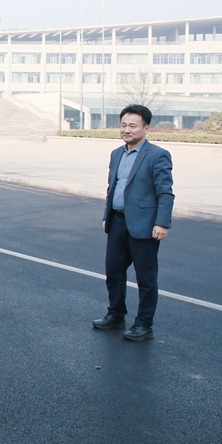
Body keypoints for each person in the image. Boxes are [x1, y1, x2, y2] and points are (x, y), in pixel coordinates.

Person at [92, 104, 175, 342]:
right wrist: (107, 216)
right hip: (117, 222)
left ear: (146, 128)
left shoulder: (157, 155)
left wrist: (162, 223)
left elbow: (165, 193)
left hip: (145, 226)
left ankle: (144, 324)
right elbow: (113, 187)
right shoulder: (117, 153)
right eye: (124, 125)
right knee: (113, 272)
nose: (126, 130)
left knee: (145, 278)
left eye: (133, 126)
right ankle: (116, 314)